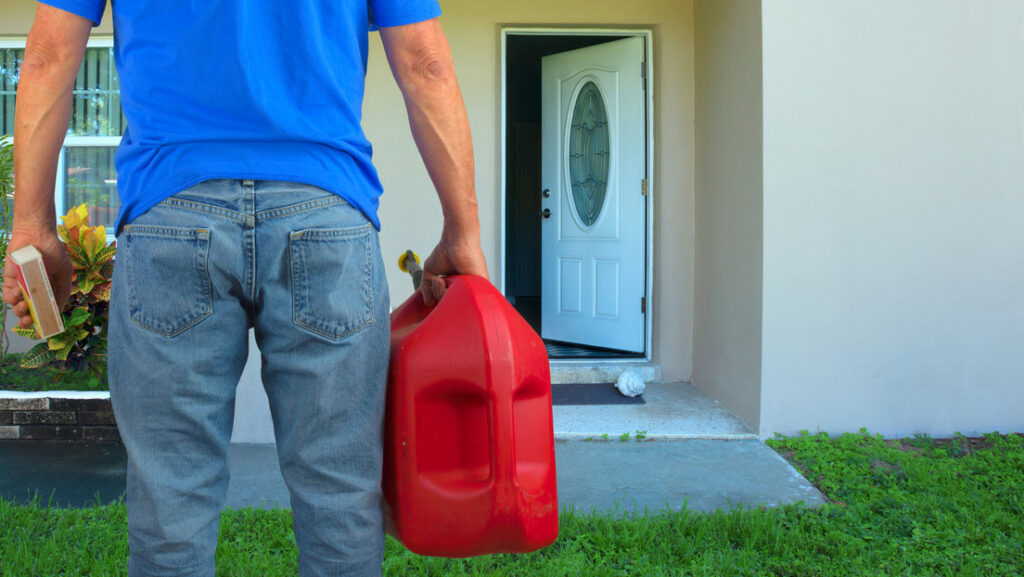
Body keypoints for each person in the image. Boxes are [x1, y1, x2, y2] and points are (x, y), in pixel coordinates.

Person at [2, 1, 487, 575]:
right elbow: (426, 65)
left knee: (171, 497)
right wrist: (462, 234)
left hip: (171, 213)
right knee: (340, 493)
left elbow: (48, 56)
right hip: (326, 216)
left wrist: (33, 226)